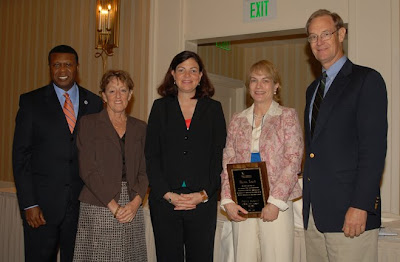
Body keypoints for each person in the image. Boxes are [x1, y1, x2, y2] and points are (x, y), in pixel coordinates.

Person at [302, 9, 388, 262]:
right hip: (315, 216)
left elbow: (373, 150)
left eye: (325, 34)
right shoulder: (312, 89)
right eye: (312, 37)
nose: (319, 42)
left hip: (350, 214)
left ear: (341, 34)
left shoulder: (366, 80)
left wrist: (361, 205)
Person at [12, 45, 103, 262]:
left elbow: (99, 154)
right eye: (56, 64)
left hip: (81, 206)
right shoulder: (31, 102)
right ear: (50, 68)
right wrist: (29, 204)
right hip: (41, 208)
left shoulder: (95, 103)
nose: (62, 69)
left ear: (77, 67)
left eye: (68, 64)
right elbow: (20, 156)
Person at [145, 50, 227, 262]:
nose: (187, 75)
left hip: (201, 202)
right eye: (181, 70)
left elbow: (218, 157)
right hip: (165, 202)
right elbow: (151, 155)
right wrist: (167, 194)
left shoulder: (214, 109)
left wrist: (204, 194)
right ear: (172, 74)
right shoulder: (160, 107)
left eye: (193, 70)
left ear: (201, 76)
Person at [220, 60, 303, 262]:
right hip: (242, 202)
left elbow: (293, 160)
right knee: (243, 257)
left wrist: (275, 202)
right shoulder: (237, 119)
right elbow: (228, 160)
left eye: (265, 81)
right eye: (254, 81)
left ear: (276, 86)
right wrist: (228, 200)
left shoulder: (287, 116)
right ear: (249, 87)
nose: (259, 86)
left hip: (277, 203)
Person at [73, 70, 148, 261]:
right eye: (112, 91)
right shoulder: (89, 123)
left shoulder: (140, 128)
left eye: (123, 90)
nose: (118, 96)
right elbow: (87, 169)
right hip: (99, 203)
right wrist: (113, 206)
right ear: (103, 96)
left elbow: (145, 170)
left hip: (132, 204)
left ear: (130, 95)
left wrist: (135, 203)